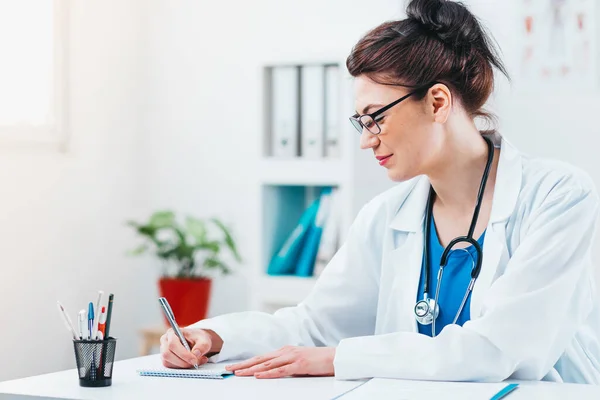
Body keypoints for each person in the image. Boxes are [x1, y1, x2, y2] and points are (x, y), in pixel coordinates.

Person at [160, 0, 600, 384]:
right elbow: (316, 325)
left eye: (376, 118)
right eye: (361, 122)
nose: (366, 139)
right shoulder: (387, 215)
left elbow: (502, 350)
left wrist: (338, 359)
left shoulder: (558, 197)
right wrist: (216, 336)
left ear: (438, 102)